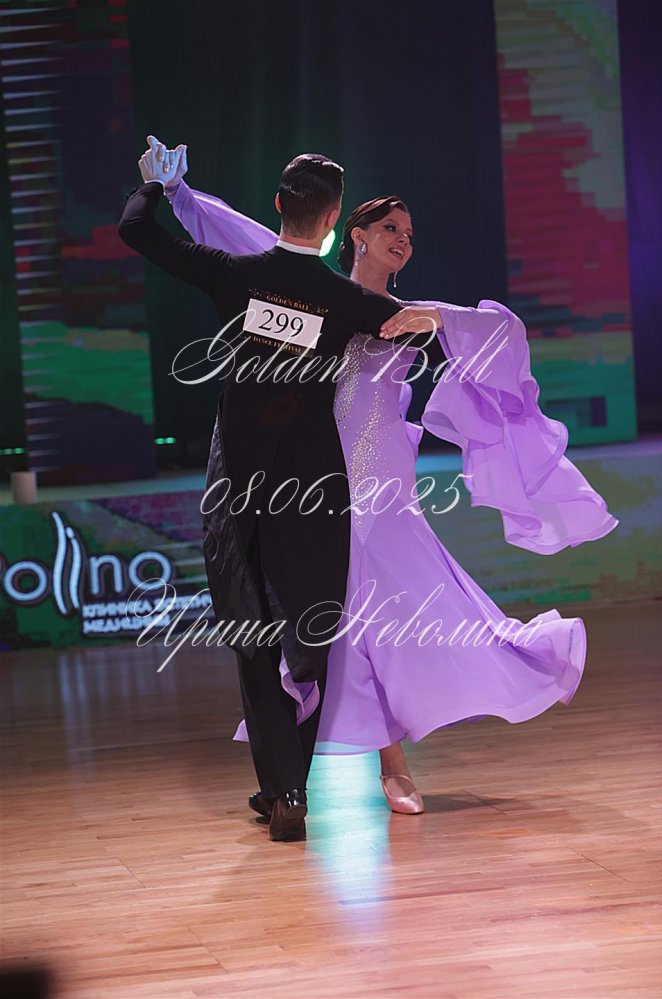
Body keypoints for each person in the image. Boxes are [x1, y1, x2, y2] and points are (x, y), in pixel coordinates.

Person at [151, 137, 618, 817]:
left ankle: (380, 764)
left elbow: (499, 338)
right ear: (355, 233)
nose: (404, 241)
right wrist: (178, 194)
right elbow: (242, 237)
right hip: (316, 477)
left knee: (396, 617)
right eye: (392, 228)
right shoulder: (317, 291)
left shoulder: (408, 313)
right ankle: (312, 774)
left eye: (410, 234)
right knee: (326, 622)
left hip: (383, 486)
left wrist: (441, 319)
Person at [118, 144, 443, 841]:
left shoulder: (235, 274)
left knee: (253, 630)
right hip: (316, 488)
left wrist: (154, 187)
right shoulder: (344, 298)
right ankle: (286, 783)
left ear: (277, 207)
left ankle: (286, 788)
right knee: (310, 635)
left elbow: (136, 231)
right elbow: (414, 332)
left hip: (241, 482)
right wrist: (436, 320)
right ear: (332, 220)